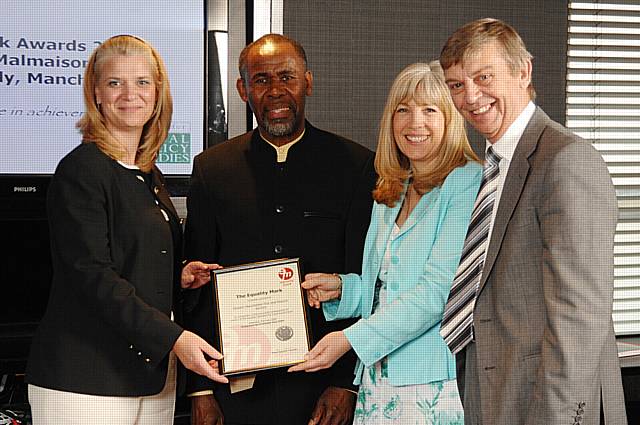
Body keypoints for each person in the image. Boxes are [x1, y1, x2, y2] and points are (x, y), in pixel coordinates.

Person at [25, 35, 228, 425]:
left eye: (142, 82)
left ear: (157, 93)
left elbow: (129, 256)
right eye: (115, 83)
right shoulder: (82, 170)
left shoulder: (148, 174)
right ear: (96, 93)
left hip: (150, 378)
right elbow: (91, 276)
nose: (130, 94)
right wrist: (175, 338)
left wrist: (178, 276)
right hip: (86, 380)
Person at [438, 18, 627, 425]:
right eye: (456, 84)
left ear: (523, 71)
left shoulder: (567, 161)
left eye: (483, 76)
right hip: (494, 394)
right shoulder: (489, 168)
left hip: (548, 406)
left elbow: (579, 319)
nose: (471, 96)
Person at [183, 33, 376, 425]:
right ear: (243, 89)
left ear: (308, 81)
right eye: (261, 79)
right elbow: (197, 285)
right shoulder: (212, 169)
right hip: (233, 384)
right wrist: (200, 390)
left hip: (322, 383)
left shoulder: (355, 166)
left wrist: (347, 384)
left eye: (286, 77)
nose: (275, 91)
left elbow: (364, 279)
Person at [288, 61, 481, 425]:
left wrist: (348, 339)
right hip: (376, 379)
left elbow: (438, 295)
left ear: (451, 117)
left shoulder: (467, 183)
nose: (415, 123)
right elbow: (386, 288)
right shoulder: (393, 186)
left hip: (431, 384)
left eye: (429, 110)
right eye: (403, 110)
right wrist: (342, 288)